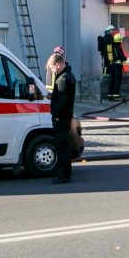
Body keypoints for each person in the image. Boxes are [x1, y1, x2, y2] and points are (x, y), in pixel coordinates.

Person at [47, 51, 75, 184]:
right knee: (63, 146)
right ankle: (64, 172)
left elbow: (63, 101)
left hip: (61, 118)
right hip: (64, 118)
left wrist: (56, 116)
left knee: (62, 147)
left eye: (52, 68)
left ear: (57, 65)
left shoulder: (63, 79)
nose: (51, 71)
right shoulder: (67, 76)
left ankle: (64, 175)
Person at [107, 33, 126, 100]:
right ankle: (116, 96)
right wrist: (125, 58)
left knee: (112, 80)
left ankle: (110, 95)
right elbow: (122, 57)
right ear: (119, 40)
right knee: (117, 80)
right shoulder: (119, 47)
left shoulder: (111, 47)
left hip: (112, 66)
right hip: (117, 67)